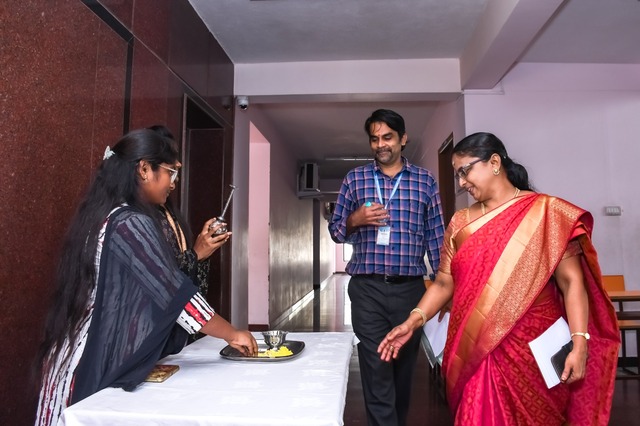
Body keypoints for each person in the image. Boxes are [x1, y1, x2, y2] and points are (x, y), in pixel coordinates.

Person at [378, 132, 620, 425]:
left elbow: (572, 283)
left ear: (494, 162)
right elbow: (443, 283)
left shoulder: (547, 213)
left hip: (532, 349)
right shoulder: (461, 222)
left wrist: (579, 343)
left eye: (465, 171)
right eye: (457, 175)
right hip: (475, 349)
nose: (461, 183)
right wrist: (412, 322)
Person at [34, 129, 257, 426]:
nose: (173, 183)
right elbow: (176, 295)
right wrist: (232, 333)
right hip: (90, 358)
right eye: (170, 173)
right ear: (143, 169)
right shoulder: (130, 223)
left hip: (76, 352)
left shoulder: (108, 213)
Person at [328, 109, 445, 426]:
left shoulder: (424, 181)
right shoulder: (355, 179)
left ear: (403, 139)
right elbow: (337, 231)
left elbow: (437, 238)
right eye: (374, 138)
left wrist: (442, 288)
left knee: (403, 371)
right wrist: (355, 219)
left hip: (411, 291)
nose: (381, 144)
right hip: (367, 290)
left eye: (388, 137)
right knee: (377, 364)